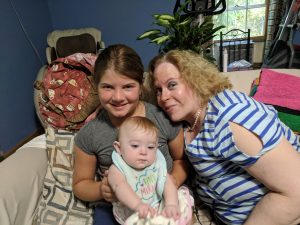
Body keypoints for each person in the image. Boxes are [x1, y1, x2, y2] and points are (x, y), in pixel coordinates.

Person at [148, 49, 300, 225]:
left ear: (195, 79)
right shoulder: (185, 121)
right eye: (158, 90)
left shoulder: (232, 118)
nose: (164, 97)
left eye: (172, 85)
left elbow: (296, 191)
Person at [72, 44, 189, 225]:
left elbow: (182, 160)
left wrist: (173, 181)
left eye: (128, 86)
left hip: (164, 196)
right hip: (117, 206)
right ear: (96, 87)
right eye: (108, 87)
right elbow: (80, 185)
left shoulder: (162, 118)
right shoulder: (90, 134)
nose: (118, 97)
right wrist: (101, 190)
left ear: (141, 86)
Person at [108, 116, 189, 224]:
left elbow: (167, 183)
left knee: (180, 199)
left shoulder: (156, 164)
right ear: (119, 148)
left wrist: (171, 204)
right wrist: (138, 205)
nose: (143, 152)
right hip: (132, 211)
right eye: (135, 146)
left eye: (150, 147)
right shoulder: (117, 169)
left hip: (158, 204)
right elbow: (120, 187)